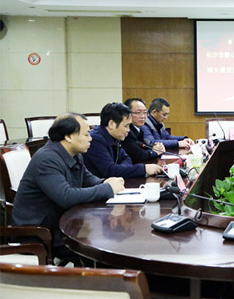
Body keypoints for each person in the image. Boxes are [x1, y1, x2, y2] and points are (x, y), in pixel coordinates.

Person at [11, 113, 125, 261]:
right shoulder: (47, 159)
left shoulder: (73, 153)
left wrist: (106, 182)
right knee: (104, 250)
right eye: (86, 134)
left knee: (110, 241)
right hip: (40, 235)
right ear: (69, 137)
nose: (90, 138)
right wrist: (108, 189)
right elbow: (66, 197)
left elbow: (88, 179)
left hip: (63, 225)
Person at [83, 102, 163, 178]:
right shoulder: (95, 140)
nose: (128, 130)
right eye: (126, 126)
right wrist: (144, 169)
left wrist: (120, 169)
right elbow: (110, 171)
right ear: (111, 124)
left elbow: (126, 158)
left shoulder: (114, 136)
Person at [121, 98, 165, 164]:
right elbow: (137, 155)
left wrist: (156, 148)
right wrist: (155, 152)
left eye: (145, 112)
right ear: (127, 114)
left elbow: (143, 149)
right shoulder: (127, 131)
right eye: (138, 113)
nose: (143, 116)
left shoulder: (139, 129)